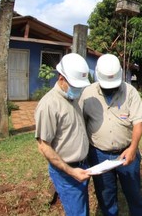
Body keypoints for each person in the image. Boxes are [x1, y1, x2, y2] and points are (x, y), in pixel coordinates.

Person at [81, 54, 142, 216]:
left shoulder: (130, 92)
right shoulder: (87, 94)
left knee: (134, 193)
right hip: (99, 154)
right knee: (106, 196)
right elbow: (81, 122)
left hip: (126, 153)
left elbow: (139, 122)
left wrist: (133, 148)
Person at [34, 53, 91, 216]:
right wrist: (71, 172)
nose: (78, 89)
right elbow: (44, 147)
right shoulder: (49, 105)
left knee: (81, 208)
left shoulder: (72, 99)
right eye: (75, 85)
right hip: (67, 171)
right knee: (77, 212)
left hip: (81, 166)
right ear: (61, 78)